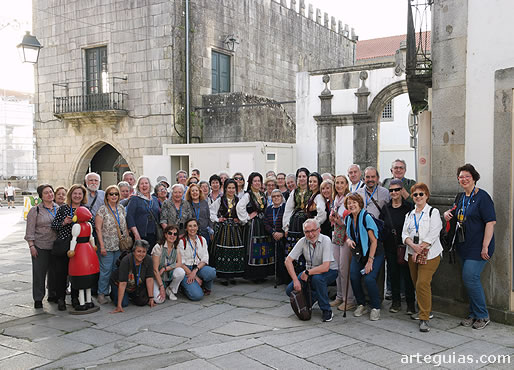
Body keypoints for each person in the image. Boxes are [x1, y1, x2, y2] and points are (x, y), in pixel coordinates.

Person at [443, 164, 496, 330]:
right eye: (460, 177)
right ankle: (473, 314)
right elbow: (455, 215)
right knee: (469, 280)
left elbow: (490, 222)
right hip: (463, 245)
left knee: (470, 278)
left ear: (474, 177)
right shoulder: (460, 197)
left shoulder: (483, 197)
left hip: (479, 246)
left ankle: (482, 315)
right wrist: (446, 215)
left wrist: (485, 246)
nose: (464, 179)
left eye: (467, 176)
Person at [402, 182, 442, 332]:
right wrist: (413, 246)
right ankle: (426, 309)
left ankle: (424, 318)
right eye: (415, 194)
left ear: (427, 196)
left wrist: (421, 247)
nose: (418, 197)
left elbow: (434, 232)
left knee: (422, 283)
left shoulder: (433, 212)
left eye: (421, 194)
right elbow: (404, 234)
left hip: (430, 254)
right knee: (417, 283)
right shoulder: (409, 215)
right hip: (412, 253)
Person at [285, 219, 338, 322]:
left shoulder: (326, 240)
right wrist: (296, 280)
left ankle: (326, 310)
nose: (311, 234)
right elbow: (288, 261)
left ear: (319, 230)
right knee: (290, 290)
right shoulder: (303, 241)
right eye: (307, 232)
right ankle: (313, 297)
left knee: (317, 279)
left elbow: (326, 267)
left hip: (330, 271)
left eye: (313, 230)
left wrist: (307, 273)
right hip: (310, 271)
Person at [345, 193, 385, 321]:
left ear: (360, 204)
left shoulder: (366, 217)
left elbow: (374, 241)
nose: (351, 205)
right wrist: (349, 241)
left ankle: (375, 307)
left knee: (369, 278)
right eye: (349, 203)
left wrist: (370, 261)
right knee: (354, 275)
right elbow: (349, 235)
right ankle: (361, 304)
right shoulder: (348, 218)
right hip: (359, 252)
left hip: (374, 252)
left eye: (354, 202)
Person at [51, 184, 90, 311]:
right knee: (61, 274)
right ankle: (61, 299)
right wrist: (64, 222)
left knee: (76, 273)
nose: (77, 196)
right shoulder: (63, 209)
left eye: (80, 194)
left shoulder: (86, 209)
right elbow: (54, 225)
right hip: (64, 246)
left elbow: (92, 224)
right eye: (75, 193)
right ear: (71, 195)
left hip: (80, 247)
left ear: (83, 196)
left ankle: (75, 298)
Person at [380, 179, 415, 314]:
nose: (394, 192)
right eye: (391, 190)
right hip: (390, 247)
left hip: (406, 246)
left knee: (408, 276)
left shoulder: (408, 207)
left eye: (396, 190)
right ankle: (396, 302)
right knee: (393, 275)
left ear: (401, 191)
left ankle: (411, 304)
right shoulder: (386, 208)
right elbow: (382, 226)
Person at [25, 184, 58, 308]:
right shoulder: (35, 210)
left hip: (55, 246)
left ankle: (52, 294)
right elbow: (29, 230)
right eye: (46, 193)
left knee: (54, 273)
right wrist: (31, 246)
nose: (50, 194)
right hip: (40, 246)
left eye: (51, 192)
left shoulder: (58, 208)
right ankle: (38, 298)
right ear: (41, 196)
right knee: (39, 274)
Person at [237, 173, 274, 282]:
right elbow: (239, 207)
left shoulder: (262, 194)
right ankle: (253, 274)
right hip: (253, 225)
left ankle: (262, 273)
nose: (257, 183)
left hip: (262, 224)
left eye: (259, 181)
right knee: (254, 248)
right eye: (255, 181)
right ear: (251, 183)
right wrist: (247, 218)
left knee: (263, 247)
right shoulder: (248, 195)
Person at [95, 185, 128, 305]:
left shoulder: (121, 208)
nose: (114, 196)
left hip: (119, 245)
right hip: (107, 245)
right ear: (107, 196)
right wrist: (102, 246)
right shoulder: (102, 210)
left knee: (116, 270)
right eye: (111, 194)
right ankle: (101, 293)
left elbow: (125, 226)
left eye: (116, 194)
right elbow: (98, 229)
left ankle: (114, 293)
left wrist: (127, 240)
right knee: (105, 270)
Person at [328, 175, 356, 312]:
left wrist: (341, 222)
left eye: (342, 183)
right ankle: (340, 296)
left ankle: (349, 300)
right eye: (337, 183)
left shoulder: (349, 198)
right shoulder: (336, 200)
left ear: (346, 185)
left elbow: (353, 218)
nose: (339, 185)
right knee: (337, 267)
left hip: (347, 237)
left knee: (345, 269)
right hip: (337, 235)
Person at [210, 179, 244, 284]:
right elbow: (212, 211)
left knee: (234, 251)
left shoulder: (239, 200)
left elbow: (243, 212)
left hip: (235, 229)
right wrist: (217, 219)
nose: (231, 190)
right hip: (223, 229)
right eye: (229, 188)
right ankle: (223, 275)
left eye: (233, 188)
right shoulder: (220, 200)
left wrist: (240, 219)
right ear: (225, 189)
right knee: (223, 251)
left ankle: (232, 275)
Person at [110, 240, 156, 312]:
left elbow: (149, 278)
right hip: (119, 283)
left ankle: (130, 295)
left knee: (142, 301)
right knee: (124, 303)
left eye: (144, 252)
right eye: (139, 251)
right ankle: (114, 295)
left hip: (135, 284)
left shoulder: (148, 259)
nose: (141, 254)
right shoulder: (126, 260)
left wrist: (151, 298)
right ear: (134, 251)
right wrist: (119, 306)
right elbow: (122, 283)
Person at [177, 219, 216, 300]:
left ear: (197, 228)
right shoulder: (182, 242)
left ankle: (206, 288)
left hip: (198, 268)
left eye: (194, 226)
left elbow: (205, 259)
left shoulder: (202, 240)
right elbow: (181, 263)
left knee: (211, 272)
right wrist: (194, 276)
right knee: (197, 296)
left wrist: (195, 271)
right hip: (186, 270)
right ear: (186, 229)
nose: (192, 228)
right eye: (190, 226)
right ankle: (184, 288)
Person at [283, 168, 311, 270]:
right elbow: (288, 210)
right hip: (295, 224)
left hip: (308, 222)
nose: (302, 178)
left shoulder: (312, 190)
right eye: (299, 176)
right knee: (295, 249)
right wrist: (286, 226)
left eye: (304, 176)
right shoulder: (294, 192)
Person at [126, 176, 161, 252]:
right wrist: (136, 234)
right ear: (138, 186)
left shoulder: (154, 199)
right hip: (140, 234)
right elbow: (130, 216)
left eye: (146, 183)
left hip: (153, 234)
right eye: (142, 184)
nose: (144, 185)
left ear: (150, 185)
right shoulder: (134, 199)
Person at [152, 225, 185, 303]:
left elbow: (179, 263)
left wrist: (166, 268)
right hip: (157, 276)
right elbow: (155, 270)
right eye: (170, 233)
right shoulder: (158, 247)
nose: (172, 236)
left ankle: (170, 289)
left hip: (167, 272)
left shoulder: (176, 247)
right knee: (159, 300)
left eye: (175, 234)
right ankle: (161, 287)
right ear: (165, 234)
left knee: (181, 272)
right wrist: (161, 286)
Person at [263, 189, 286, 284]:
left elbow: (288, 221)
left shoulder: (285, 207)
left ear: (281, 197)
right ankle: (279, 277)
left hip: (283, 236)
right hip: (273, 236)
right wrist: (273, 232)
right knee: (276, 258)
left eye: (278, 196)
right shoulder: (268, 209)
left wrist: (282, 233)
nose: (276, 198)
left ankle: (286, 277)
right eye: (273, 196)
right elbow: (265, 223)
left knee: (284, 257)